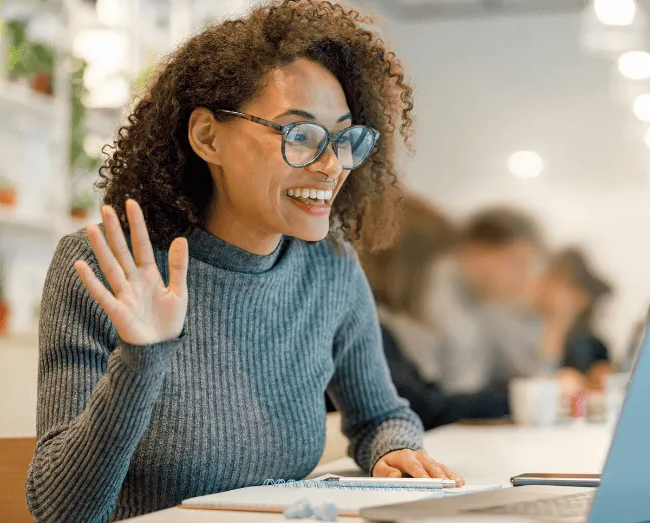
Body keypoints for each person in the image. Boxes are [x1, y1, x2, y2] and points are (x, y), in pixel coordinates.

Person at [25, 2, 462, 522]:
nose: (331, 166)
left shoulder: (329, 268)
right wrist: (142, 358)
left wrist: (394, 449)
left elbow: (380, 416)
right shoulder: (104, 267)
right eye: (300, 135)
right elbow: (60, 513)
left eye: (345, 139)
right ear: (207, 137)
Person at [357, 196, 510, 429]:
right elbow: (425, 409)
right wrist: (515, 397)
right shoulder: (366, 327)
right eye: (441, 267)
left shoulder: (385, 326)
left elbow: (431, 398)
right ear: (408, 268)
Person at [424, 207, 547, 394]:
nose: (523, 279)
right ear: (478, 249)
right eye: (517, 263)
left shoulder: (482, 302)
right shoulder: (431, 293)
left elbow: (521, 369)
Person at [535, 247, 614, 392]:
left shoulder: (592, 344)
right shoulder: (529, 330)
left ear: (582, 297)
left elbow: (603, 381)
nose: (551, 290)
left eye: (561, 285)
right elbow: (539, 382)